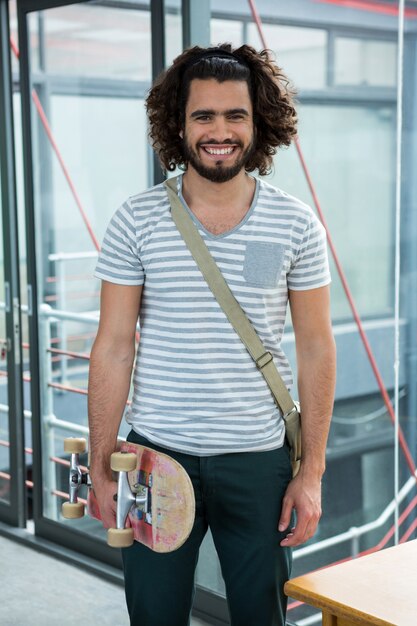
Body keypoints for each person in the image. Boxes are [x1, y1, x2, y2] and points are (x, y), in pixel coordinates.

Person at [89, 43, 336, 626]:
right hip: (154, 458)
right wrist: (101, 462)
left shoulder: (296, 224)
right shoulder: (136, 219)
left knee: (261, 615)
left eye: (235, 115)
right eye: (203, 115)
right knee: (153, 615)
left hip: (259, 463)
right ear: (179, 124)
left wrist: (312, 473)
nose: (219, 131)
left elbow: (318, 348)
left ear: (259, 122)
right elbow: (113, 345)